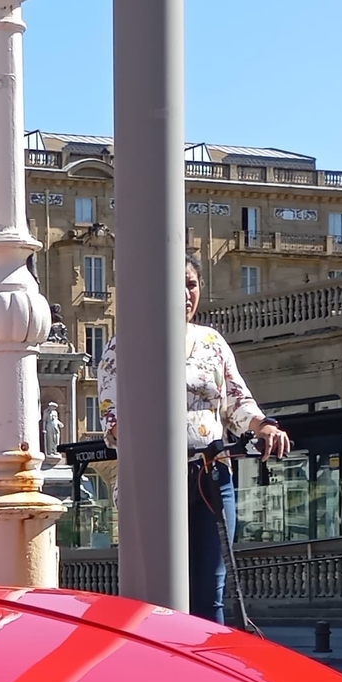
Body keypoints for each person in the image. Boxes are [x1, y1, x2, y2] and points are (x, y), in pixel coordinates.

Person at [98, 258, 293, 623]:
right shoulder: (124, 344)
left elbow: (237, 400)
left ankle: (206, 669)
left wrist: (263, 426)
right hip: (152, 480)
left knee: (210, 591)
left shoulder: (211, 341)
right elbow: (113, 413)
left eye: (191, 284)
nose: (186, 295)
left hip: (211, 474)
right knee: (156, 594)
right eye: (177, 286)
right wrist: (144, 442)